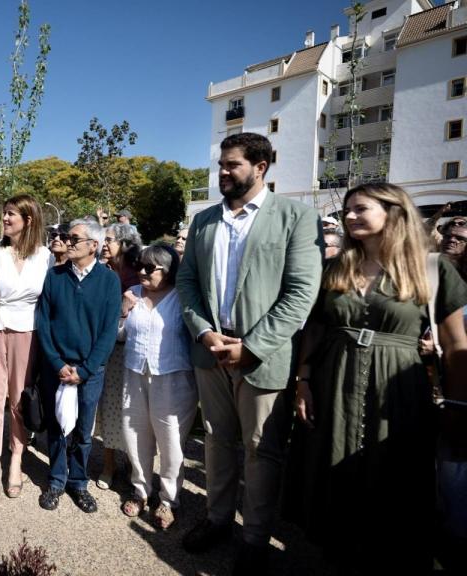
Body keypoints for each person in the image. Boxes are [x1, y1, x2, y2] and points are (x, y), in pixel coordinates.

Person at [286, 183, 467, 573]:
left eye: (360, 208)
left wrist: (456, 406)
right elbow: (316, 328)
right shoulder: (336, 268)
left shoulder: (432, 269)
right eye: (347, 209)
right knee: (334, 471)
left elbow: (455, 345)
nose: (350, 216)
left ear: (393, 212)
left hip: (401, 390)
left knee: (396, 475)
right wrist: (303, 381)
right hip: (334, 383)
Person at [176, 132, 322, 575]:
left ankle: (255, 539)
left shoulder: (296, 217)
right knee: (218, 442)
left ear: (261, 167)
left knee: (263, 450)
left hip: (264, 355)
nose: (222, 171)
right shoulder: (204, 221)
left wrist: (252, 346)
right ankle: (217, 520)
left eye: (232, 164)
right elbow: (188, 284)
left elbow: (301, 293)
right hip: (211, 352)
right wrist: (204, 333)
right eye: (220, 164)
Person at [34, 219, 122, 513]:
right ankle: (57, 480)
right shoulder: (54, 277)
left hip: (89, 371)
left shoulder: (109, 281)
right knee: (58, 427)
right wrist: (58, 363)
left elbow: (109, 331)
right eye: (66, 237)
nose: (67, 242)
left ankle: (79, 483)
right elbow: (43, 324)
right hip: (56, 368)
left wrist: (84, 371)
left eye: (74, 238)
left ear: (93, 246)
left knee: (84, 431)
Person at [112, 245, 197, 531]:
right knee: (134, 434)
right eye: (140, 265)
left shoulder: (183, 297)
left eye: (151, 268)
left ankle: (169, 499)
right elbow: (119, 335)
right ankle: (141, 489)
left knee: (171, 442)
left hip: (173, 378)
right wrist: (124, 310)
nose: (142, 271)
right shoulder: (133, 292)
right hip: (135, 374)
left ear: (169, 271)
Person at [0, 194, 49, 505]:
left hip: (29, 334)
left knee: (19, 402)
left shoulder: (45, 256)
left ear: (28, 220)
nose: (4, 219)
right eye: (4, 214)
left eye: (11, 214)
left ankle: (16, 460)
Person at [94, 223, 142, 488]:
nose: (104, 244)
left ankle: (134, 464)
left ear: (124, 243)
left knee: (134, 410)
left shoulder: (139, 272)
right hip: (109, 349)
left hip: (133, 351)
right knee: (110, 407)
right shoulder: (103, 271)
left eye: (109, 239)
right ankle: (109, 464)